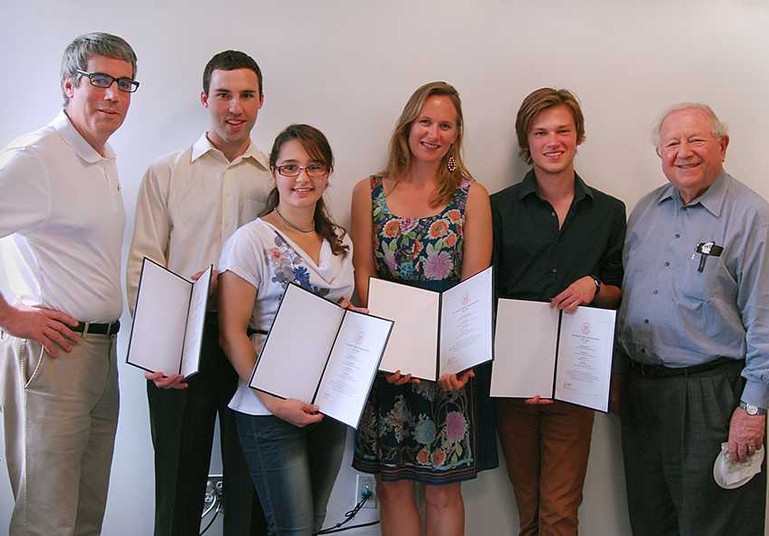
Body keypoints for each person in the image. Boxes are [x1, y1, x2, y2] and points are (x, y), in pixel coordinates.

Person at [0, 32, 137, 535]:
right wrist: (9, 315)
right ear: (69, 85)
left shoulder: (102, 156)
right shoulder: (38, 155)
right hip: (51, 359)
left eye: (124, 83)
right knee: (46, 519)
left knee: (86, 510)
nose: (113, 94)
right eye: (100, 80)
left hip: (98, 355)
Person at [617, 103, 769, 535]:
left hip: (713, 400)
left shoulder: (754, 219)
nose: (684, 152)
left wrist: (752, 409)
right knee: (651, 523)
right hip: (643, 395)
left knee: (718, 527)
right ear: (660, 154)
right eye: (672, 143)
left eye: (696, 139)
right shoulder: (645, 212)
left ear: (722, 145)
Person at [126, 49, 268, 536]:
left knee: (251, 480)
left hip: (251, 340)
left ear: (261, 101)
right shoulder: (165, 173)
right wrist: (155, 350)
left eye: (246, 95)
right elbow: (144, 264)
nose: (235, 107)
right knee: (177, 478)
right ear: (204, 98)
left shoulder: (276, 177)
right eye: (224, 94)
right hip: (179, 339)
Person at [351, 81, 496, 536]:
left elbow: (472, 286)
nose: (433, 133)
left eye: (445, 124)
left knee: (441, 488)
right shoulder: (367, 191)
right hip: (389, 360)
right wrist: (392, 353)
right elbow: (363, 277)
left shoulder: (472, 196)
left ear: (456, 134)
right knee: (391, 485)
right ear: (407, 126)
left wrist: (454, 357)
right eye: (425, 121)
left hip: (448, 367)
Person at [490, 88, 625, 536]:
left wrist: (594, 286)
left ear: (578, 136)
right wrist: (517, 374)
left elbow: (623, 289)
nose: (553, 141)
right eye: (540, 132)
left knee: (560, 514)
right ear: (526, 142)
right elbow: (485, 293)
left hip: (576, 379)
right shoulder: (498, 208)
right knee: (527, 511)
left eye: (563, 130)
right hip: (514, 380)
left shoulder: (608, 211)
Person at [217, 124, 353, 536]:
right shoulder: (250, 241)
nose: (302, 177)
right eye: (290, 167)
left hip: (328, 405)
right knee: (292, 529)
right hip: (268, 408)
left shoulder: (340, 242)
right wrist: (275, 402)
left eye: (314, 166)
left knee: (311, 524)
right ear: (274, 173)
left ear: (328, 173)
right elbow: (232, 334)